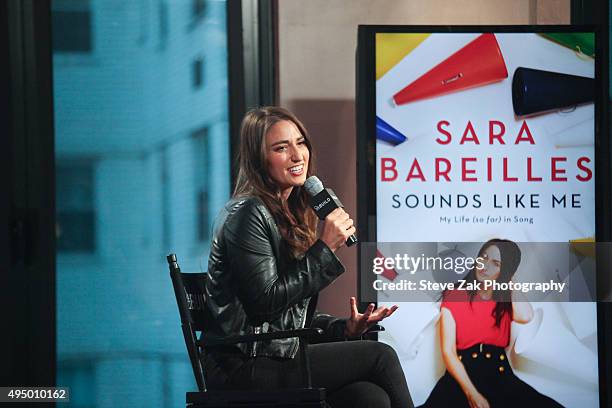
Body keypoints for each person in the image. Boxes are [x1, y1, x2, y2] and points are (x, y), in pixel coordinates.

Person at [202, 106, 414, 408]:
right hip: (242, 365)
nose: (297, 155)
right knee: (380, 355)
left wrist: (343, 329)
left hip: (272, 354)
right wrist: (324, 249)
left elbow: (285, 316)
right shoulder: (246, 214)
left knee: (369, 398)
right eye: (281, 147)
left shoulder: (286, 214)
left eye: (300, 143)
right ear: (259, 159)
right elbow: (265, 303)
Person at [419, 239, 563, 408]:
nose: (484, 266)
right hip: (463, 375)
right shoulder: (455, 294)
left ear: (505, 271)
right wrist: (472, 393)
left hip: (500, 373)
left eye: (495, 263)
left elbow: (526, 316)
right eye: (483, 257)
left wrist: (510, 283)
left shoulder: (503, 300)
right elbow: (448, 351)